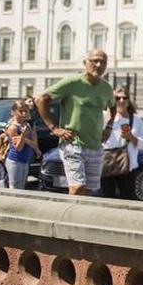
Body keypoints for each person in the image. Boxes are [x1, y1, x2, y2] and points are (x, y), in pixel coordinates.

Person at [35, 49, 115, 196]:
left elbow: (113, 107)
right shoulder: (72, 82)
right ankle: (68, 217)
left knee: (91, 191)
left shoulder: (106, 88)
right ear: (86, 63)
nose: (99, 65)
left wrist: (109, 127)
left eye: (103, 62)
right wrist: (54, 128)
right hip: (73, 144)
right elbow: (40, 99)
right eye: (95, 61)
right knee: (77, 188)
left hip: (95, 145)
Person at [101, 86, 143, 199]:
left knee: (128, 199)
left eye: (125, 98)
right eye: (118, 98)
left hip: (128, 166)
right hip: (107, 164)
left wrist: (131, 137)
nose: (121, 101)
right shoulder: (103, 117)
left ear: (128, 100)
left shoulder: (135, 119)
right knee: (107, 199)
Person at [2, 99, 40, 189]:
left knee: (22, 187)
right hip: (15, 160)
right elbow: (18, 148)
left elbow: (34, 144)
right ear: (14, 112)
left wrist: (27, 141)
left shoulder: (27, 125)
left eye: (25, 111)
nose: (23, 114)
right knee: (15, 187)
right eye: (20, 111)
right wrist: (23, 135)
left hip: (25, 160)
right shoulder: (13, 127)